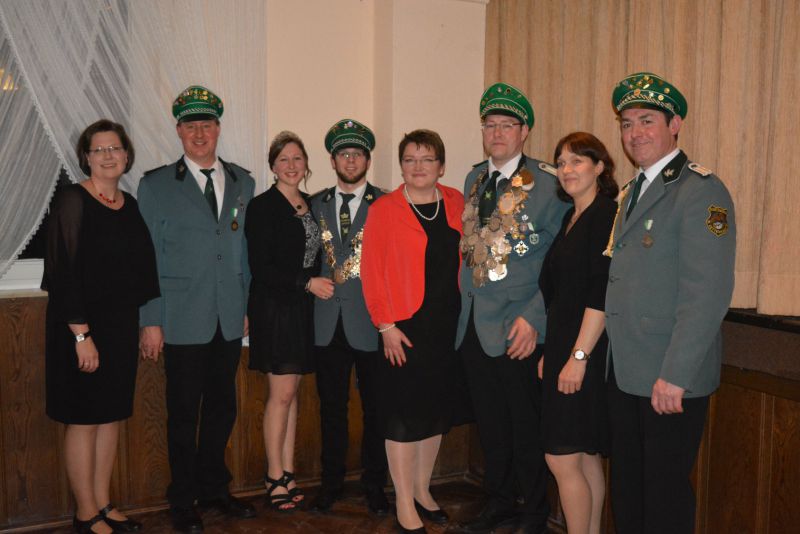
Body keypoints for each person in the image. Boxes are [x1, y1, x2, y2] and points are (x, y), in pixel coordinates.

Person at [605, 72, 736, 534]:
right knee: (628, 490)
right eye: (627, 123)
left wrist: (676, 374)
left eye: (647, 120)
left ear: (674, 124)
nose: (635, 133)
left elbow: (707, 293)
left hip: (667, 374)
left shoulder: (701, 191)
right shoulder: (631, 191)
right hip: (627, 370)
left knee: (663, 497)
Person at [138, 86, 256, 533]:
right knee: (184, 412)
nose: (200, 133)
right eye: (191, 126)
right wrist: (150, 320)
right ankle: (182, 498)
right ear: (179, 131)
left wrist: (246, 306)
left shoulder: (243, 181)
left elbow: (244, 252)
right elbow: (147, 259)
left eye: (207, 124)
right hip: (181, 318)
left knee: (223, 407)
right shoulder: (155, 185)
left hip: (229, 316)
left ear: (218, 129)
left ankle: (213, 488)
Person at [457, 82, 568, 534]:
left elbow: (561, 261)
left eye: (507, 125)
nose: (498, 133)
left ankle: (534, 511)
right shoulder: (474, 180)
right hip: (473, 324)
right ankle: (499, 501)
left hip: (519, 325)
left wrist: (536, 317)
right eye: (490, 125)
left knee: (525, 425)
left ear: (525, 132)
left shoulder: (549, 184)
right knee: (491, 425)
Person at [43, 119, 158, 534]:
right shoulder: (72, 200)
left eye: (115, 148)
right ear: (86, 158)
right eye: (99, 149)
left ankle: (104, 503)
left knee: (111, 416)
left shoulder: (129, 204)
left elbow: (142, 270)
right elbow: (62, 274)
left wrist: (145, 324)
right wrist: (81, 335)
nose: (109, 156)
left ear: (126, 155)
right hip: (80, 330)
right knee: (84, 419)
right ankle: (85, 512)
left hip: (120, 327)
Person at [361, 129, 464, 533]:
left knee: (433, 413)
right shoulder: (384, 209)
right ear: (401, 166)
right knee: (402, 417)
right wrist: (384, 324)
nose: (418, 166)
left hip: (446, 326)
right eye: (410, 159)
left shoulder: (456, 201)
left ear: (441, 165)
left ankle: (422, 489)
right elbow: (371, 271)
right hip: (402, 327)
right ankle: (404, 500)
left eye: (427, 159)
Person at [245, 131, 331, 512]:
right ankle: (273, 474)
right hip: (275, 308)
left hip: (302, 309)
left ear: (306, 163)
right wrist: (306, 283)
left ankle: (288, 470)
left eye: (297, 158)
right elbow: (261, 267)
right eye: (284, 159)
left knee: (292, 393)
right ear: (273, 166)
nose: (292, 165)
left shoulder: (311, 204)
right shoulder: (262, 207)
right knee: (280, 394)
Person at [308, 119, 390, 515]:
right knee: (331, 410)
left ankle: (375, 484)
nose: (351, 160)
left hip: (372, 321)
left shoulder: (387, 204)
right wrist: (307, 283)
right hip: (327, 323)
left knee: (377, 409)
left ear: (368, 160)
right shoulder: (314, 204)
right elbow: (302, 257)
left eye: (357, 153)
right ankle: (330, 484)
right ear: (333, 160)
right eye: (344, 153)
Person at [537, 132, 618, 534]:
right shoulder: (573, 216)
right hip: (565, 347)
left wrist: (578, 358)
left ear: (600, 167)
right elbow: (563, 296)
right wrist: (552, 353)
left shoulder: (605, 216)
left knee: (561, 457)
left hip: (584, 350)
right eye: (561, 163)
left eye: (577, 161)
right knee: (584, 456)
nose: (567, 170)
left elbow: (600, 294)